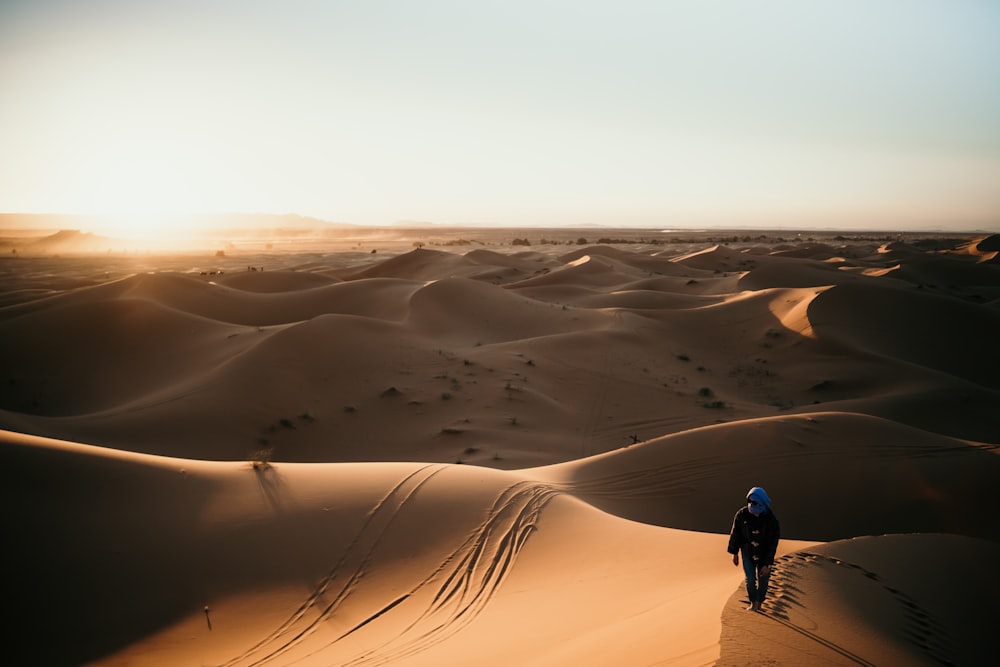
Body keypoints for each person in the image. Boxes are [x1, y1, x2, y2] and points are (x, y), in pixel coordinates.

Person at [728, 486, 780, 611]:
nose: (752, 504)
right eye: (750, 501)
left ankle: (760, 603)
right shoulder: (742, 515)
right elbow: (736, 534)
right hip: (747, 552)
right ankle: (753, 603)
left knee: (763, 581)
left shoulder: (771, 520)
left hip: (764, 554)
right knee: (750, 579)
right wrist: (734, 553)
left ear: (762, 503)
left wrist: (767, 564)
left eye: (755, 502)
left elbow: (773, 543)